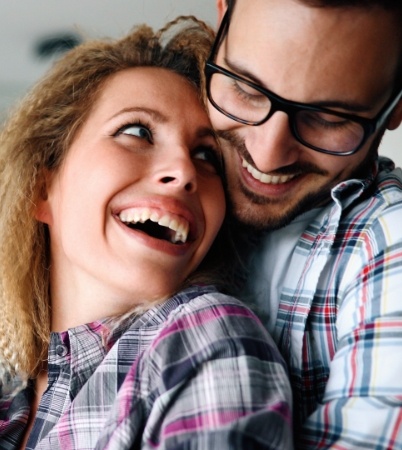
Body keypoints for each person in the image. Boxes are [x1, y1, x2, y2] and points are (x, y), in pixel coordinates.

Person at [0, 17, 293, 450]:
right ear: (42, 187)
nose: (184, 171)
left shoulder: (204, 337)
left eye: (207, 155)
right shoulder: (12, 395)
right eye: (137, 131)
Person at [205, 0, 402, 448]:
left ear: (394, 108)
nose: (266, 154)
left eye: (328, 118)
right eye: (246, 89)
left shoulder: (390, 239)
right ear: (221, 17)